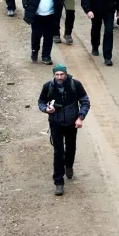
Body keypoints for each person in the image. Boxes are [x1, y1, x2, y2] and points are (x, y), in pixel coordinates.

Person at [37, 63, 89, 195]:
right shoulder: (48, 86)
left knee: (71, 147)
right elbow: (41, 102)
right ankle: (59, 182)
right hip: (56, 123)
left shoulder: (75, 85)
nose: (59, 77)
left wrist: (80, 117)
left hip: (72, 123)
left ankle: (69, 166)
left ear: (66, 74)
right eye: (57, 74)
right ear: (54, 75)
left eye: (62, 74)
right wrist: (46, 109)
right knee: (58, 152)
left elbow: (85, 101)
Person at [21, 0, 64, 65]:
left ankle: (46, 55)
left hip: (50, 15)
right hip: (36, 15)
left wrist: (58, 9)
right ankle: (34, 51)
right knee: (36, 35)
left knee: (49, 36)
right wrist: (26, 5)